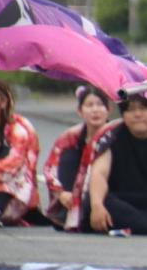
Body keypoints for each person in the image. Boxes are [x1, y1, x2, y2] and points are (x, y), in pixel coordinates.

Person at [86, 94, 147, 235]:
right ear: (124, 116)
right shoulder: (111, 137)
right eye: (131, 109)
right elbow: (99, 174)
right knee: (98, 202)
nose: (137, 114)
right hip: (121, 200)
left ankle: (140, 227)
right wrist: (97, 205)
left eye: (143, 108)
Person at [43, 84, 112, 230]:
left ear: (109, 110)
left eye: (100, 105)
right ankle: (68, 210)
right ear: (80, 111)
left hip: (104, 190)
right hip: (71, 192)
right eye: (89, 105)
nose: (95, 110)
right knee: (69, 155)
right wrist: (61, 193)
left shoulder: (116, 134)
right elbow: (51, 168)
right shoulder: (70, 136)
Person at [0, 77, 42, 227]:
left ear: (3, 102)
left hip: (12, 190)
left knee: (14, 176)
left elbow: (12, 165)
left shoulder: (20, 128)